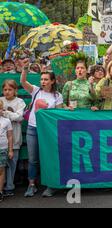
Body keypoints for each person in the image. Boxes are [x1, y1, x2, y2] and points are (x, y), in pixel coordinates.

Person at [20, 59, 63, 197]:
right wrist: (25, 68)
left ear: (52, 81)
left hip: (48, 132)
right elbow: (22, 82)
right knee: (33, 159)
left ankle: (51, 185)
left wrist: (68, 109)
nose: (43, 81)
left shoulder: (57, 96)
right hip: (32, 129)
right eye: (41, 79)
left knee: (49, 158)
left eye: (46, 79)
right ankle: (31, 185)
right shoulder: (35, 91)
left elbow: (59, 115)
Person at [0, 80, 26, 197]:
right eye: (5, 90)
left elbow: (19, 117)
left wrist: (5, 113)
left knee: (11, 164)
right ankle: (2, 185)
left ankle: (9, 187)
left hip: (14, 139)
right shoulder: (1, 101)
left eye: (10, 89)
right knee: (2, 166)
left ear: (15, 90)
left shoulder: (20, 102)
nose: (7, 92)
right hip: (1, 141)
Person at [0, 100, 13, 202]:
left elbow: (10, 136)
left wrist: (10, 150)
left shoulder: (6, 121)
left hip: (2, 149)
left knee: (1, 170)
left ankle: (0, 192)